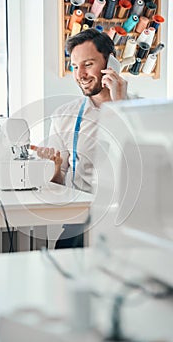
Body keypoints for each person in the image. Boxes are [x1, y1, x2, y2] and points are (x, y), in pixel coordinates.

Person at [35, 28, 128, 249]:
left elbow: (141, 171)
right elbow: (58, 184)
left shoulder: (139, 112)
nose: (80, 75)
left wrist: (121, 108)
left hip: (125, 220)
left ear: (110, 64)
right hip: (81, 221)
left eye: (88, 64)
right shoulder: (64, 116)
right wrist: (55, 169)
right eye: (75, 67)